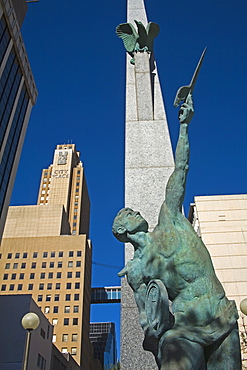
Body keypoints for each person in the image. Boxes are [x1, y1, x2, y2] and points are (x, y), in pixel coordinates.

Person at [112, 94, 241, 369]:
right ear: (122, 230)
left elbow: (180, 170)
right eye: (129, 214)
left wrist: (184, 128)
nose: (136, 212)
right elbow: (150, 320)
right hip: (185, 330)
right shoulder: (138, 269)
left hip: (221, 314)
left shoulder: (169, 216)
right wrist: (157, 337)